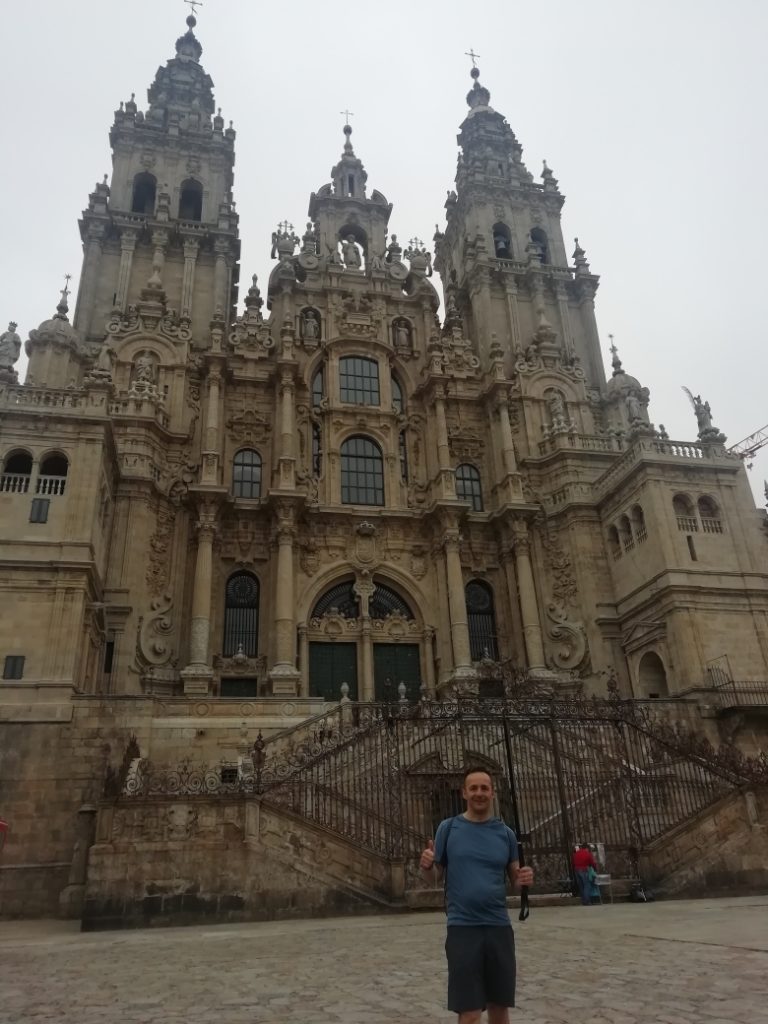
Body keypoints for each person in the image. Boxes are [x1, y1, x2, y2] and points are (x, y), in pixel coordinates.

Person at [420, 767, 534, 1024]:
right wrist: (426, 865)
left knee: (499, 1009)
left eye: (484, 788)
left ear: (492, 793)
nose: (479, 793)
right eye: (474, 788)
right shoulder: (448, 829)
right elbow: (434, 876)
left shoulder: (506, 834)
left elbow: (516, 881)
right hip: (463, 928)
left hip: (499, 927)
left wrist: (524, 879)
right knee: (469, 1013)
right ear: (464, 792)